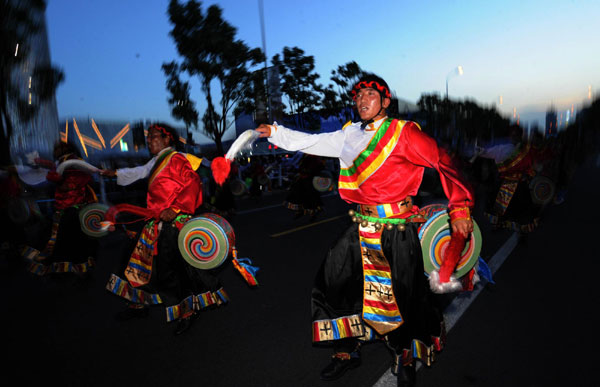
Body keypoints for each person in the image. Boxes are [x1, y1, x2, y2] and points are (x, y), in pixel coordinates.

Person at [256, 73, 474, 386]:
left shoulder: (404, 133)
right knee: (333, 282)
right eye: (357, 96)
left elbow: (443, 161)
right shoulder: (348, 135)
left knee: (403, 297)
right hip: (360, 226)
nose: (361, 101)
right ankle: (347, 349)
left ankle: (405, 355)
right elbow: (311, 141)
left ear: (386, 101)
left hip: (397, 229)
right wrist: (275, 131)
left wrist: (460, 206)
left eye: (369, 94)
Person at [100, 123, 226, 335]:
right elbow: (140, 171)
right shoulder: (157, 161)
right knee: (136, 262)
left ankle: (187, 311)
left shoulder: (177, 159)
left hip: (172, 223)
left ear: (167, 139)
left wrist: (176, 208)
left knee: (172, 272)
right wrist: (115, 174)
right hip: (155, 222)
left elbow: (193, 183)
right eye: (148, 138)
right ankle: (138, 303)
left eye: (154, 137)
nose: (149, 141)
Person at [22, 141, 98, 277]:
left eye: (58, 148)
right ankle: (66, 267)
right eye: (55, 148)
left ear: (65, 148)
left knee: (70, 237)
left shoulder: (74, 160)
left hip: (74, 206)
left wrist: (63, 181)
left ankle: (75, 268)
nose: (55, 150)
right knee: (57, 235)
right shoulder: (62, 161)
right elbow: (54, 171)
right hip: (63, 206)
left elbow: (81, 178)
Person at [475, 125, 539, 234]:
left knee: (506, 209)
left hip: (511, 184)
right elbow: (532, 167)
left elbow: (482, 152)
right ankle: (519, 228)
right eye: (513, 135)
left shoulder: (510, 149)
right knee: (514, 209)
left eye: (515, 135)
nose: (514, 137)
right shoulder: (519, 149)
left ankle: (510, 227)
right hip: (514, 184)